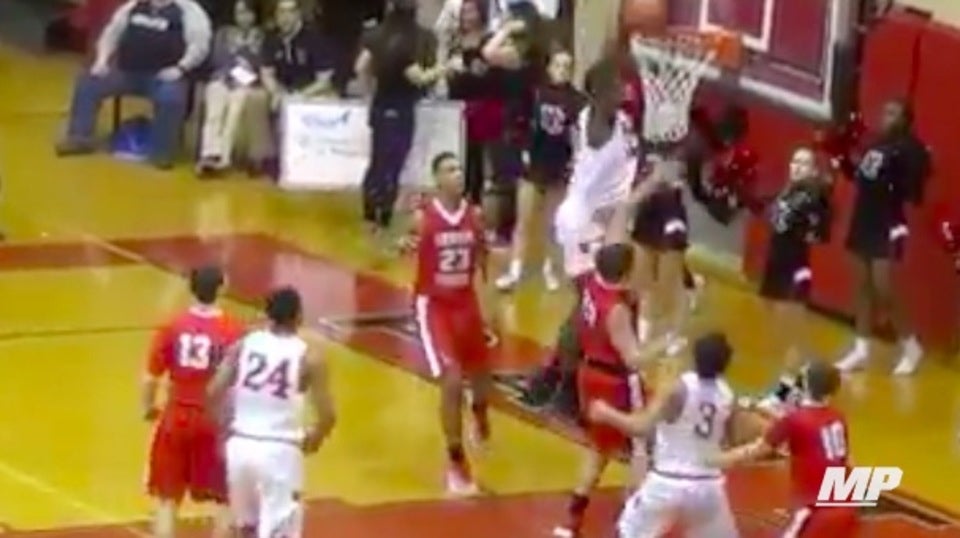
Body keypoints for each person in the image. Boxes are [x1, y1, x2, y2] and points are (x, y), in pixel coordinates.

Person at [521, 56, 637, 412]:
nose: (624, 90)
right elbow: (613, 196)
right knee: (589, 309)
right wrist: (654, 182)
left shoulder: (617, 119)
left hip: (601, 223)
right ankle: (558, 381)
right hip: (584, 224)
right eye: (616, 86)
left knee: (588, 308)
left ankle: (558, 378)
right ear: (598, 93)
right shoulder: (598, 129)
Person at [207, 286, 335, 538]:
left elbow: (213, 392)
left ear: (267, 314)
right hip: (280, 450)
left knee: (245, 529)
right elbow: (328, 414)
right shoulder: (308, 356)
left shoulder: (244, 345)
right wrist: (316, 436)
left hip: (241, 445)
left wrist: (224, 432)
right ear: (299, 316)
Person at [589, 332, 740, 538]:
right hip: (708, 485)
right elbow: (731, 441)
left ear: (694, 356)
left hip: (668, 481)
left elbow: (641, 427)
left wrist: (607, 413)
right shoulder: (727, 395)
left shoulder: (678, 389)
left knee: (627, 532)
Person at [408, 151, 492, 495]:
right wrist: (404, 243)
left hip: (467, 303)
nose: (457, 174)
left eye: (459, 168)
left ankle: (481, 413)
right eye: (449, 169)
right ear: (437, 179)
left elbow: (483, 262)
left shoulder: (476, 216)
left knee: (482, 380)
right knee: (452, 381)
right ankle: (456, 460)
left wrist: (490, 309)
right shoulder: (423, 217)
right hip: (435, 306)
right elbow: (406, 247)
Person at [142, 266, 244, 538]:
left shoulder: (173, 326)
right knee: (223, 500)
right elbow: (239, 382)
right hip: (213, 419)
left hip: (177, 415)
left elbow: (150, 378)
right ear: (222, 288)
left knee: (166, 499)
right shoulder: (234, 331)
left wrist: (148, 408)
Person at [56, 0, 213, 169]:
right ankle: (79, 138)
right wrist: (102, 60)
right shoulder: (133, 6)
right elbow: (111, 33)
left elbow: (200, 46)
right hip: (127, 72)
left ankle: (161, 153)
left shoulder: (189, 11)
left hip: (164, 76)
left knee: (170, 98)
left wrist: (180, 68)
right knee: (89, 81)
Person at [710, 360, 859, 537]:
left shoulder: (794, 419)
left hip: (814, 510)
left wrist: (716, 460)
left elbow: (756, 451)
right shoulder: (838, 418)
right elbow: (849, 461)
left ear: (806, 385)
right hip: (846, 506)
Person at [836, 99, 930, 375]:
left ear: (905, 119)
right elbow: (860, 176)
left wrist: (911, 173)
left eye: (893, 113)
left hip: (889, 222)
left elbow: (915, 194)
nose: (886, 117)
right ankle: (861, 350)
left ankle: (911, 346)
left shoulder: (910, 149)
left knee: (883, 287)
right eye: (885, 111)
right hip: (864, 217)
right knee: (863, 286)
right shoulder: (875, 144)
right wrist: (842, 159)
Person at [497, 44, 586, 292]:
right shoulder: (535, 93)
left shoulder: (578, 101)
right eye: (558, 65)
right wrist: (521, 148)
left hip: (559, 166)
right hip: (534, 163)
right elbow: (518, 122)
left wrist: (575, 163)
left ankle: (550, 269)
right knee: (524, 220)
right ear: (549, 67)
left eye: (567, 66)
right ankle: (515, 270)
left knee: (552, 224)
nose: (562, 70)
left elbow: (579, 136)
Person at [355, 0, 442, 247]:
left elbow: (360, 67)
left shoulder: (376, 34)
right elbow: (419, 78)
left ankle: (369, 215)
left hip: (380, 104)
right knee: (393, 165)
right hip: (402, 107)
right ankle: (383, 217)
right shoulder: (414, 39)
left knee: (377, 161)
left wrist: (368, 93)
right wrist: (444, 69)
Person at [754, 147, 832, 413]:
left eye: (804, 163)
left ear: (813, 170)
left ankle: (786, 393)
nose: (796, 167)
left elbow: (821, 232)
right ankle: (802, 382)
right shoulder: (787, 193)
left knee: (791, 332)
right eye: (794, 161)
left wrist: (816, 216)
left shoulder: (812, 197)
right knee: (778, 329)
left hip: (795, 267)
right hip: (776, 263)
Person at [482, 1, 546, 245]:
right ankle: (514, 231)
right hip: (521, 120)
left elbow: (488, 52)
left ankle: (506, 232)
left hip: (515, 123)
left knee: (508, 179)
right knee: (512, 178)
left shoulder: (520, 55)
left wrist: (505, 29)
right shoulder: (535, 52)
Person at [196, 0, 273, 176]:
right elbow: (217, 59)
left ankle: (223, 158)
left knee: (234, 109)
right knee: (215, 105)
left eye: (247, 13)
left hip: (247, 83)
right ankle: (209, 154)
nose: (243, 17)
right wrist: (233, 71)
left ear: (254, 15)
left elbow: (260, 64)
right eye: (239, 13)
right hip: (221, 78)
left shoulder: (263, 37)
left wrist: (241, 73)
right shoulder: (223, 33)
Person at [445, 0, 501, 206]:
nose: (467, 16)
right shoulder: (456, 40)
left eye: (471, 12)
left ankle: (474, 198)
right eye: (464, 12)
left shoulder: (489, 40)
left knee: (476, 154)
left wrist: (466, 67)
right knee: (459, 152)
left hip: (480, 104)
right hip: (457, 102)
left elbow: (487, 72)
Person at [261, 0, 335, 110]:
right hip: (282, 94)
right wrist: (276, 91)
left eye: (291, 11)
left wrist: (299, 96)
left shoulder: (314, 38)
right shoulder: (271, 39)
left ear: (298, 14)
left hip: (310, 94)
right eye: (281, 12)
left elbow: (324, 81)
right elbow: (267, 74)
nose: (286, 17)